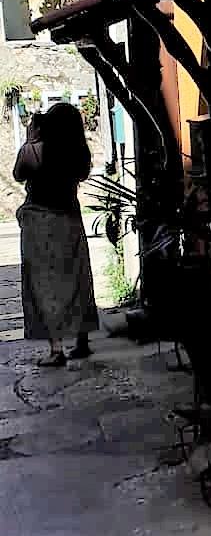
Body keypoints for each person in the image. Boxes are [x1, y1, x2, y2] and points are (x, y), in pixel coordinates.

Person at [13, 101, 99, 369]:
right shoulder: (78, 152)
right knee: (77, 279)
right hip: (70, 219)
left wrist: (30, 140)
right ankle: (82, 340)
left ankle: (56, 349)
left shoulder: (34, 150)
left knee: (44, 286)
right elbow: (81, 175)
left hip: (40, 223)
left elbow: (18, 174)